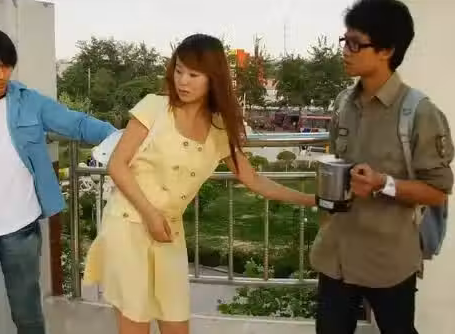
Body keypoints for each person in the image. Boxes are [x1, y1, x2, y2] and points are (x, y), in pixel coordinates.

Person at [83, 33, 316, 334]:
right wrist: (150, 214)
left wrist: (314, 199)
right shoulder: (154, 108)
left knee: (176, 322)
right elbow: (117, 164)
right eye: (179, 70)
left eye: (194, 74)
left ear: (213, 78)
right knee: (135, 324)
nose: (183, 81)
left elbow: (253, 179)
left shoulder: (219, 130)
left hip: (169, 231)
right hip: (128, 223)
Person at [0, 27, 116, 334]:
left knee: (27, 315)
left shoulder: (29, 102)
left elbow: (76, 123)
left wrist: (121, 136)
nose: (2, 75)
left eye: (7, 66)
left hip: (20, 231)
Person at [310, 0, 455, 334]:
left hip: (388, 261)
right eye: (344, 40)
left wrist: (383, 183)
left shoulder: (419, 113)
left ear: (386, 50)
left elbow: (437, 192)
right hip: (336, 254)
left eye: (355, 43)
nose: (345, 51)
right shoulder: (343, 103)